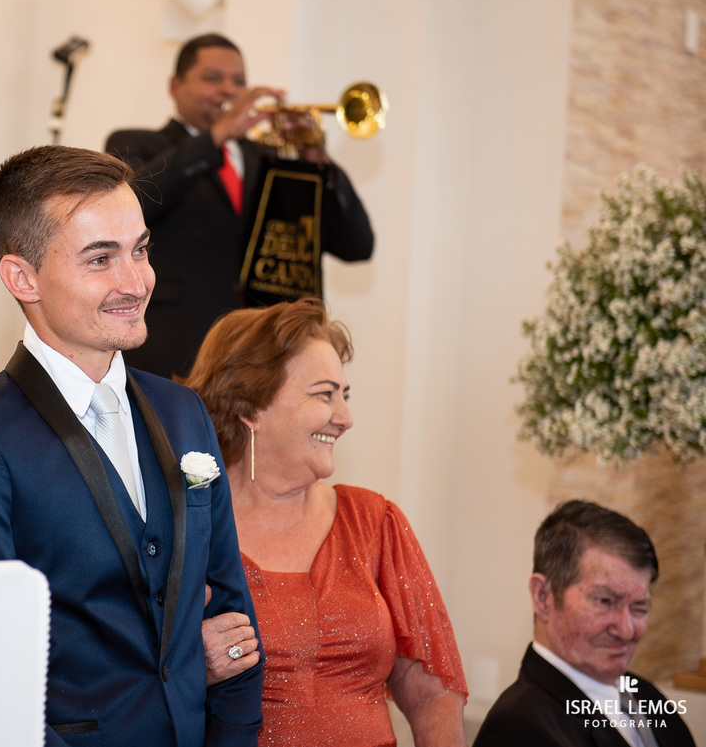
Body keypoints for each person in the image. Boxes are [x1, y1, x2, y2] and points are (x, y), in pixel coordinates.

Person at [0, 145, 263, 746]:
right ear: (23, 278)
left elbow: (234, 623)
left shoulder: (183, 413)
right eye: (100, 259)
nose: (137, 281)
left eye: (141, 249)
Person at [183, 299, 467, 746]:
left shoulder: (375, 521)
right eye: (324, 394)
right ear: (252, 407)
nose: (346, 418)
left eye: (345, 395)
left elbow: (431, 690)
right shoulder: (189, 528)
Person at [105, 33, 374, 380]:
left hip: (260, 354)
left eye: (239, 81)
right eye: (213, 78)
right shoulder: (136, 144)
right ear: (175, 86)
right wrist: (218, 135)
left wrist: (315, 162)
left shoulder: (269, 159)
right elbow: (134, 204)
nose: (229, 91)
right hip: (173, 348)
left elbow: (357, 245)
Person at [472, 501, 695, 747]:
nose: (627, 630)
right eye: (604, 600)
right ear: (543, 597)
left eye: (639, 607)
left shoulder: (646, 695)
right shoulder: (516, 728)